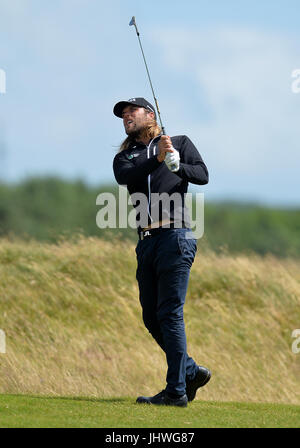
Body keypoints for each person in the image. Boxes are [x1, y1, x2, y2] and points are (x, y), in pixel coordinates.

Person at [113, 97, 211, 407]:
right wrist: (157, 158)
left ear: (150, 114)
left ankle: (176, 392)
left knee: (169, 314)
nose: (127, 116)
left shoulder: (178, 142)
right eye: (123, 114)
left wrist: (177, 164)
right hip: (146, 241)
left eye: (132, 111)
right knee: (151, 317)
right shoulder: (126, 155)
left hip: (175, 236)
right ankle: (190, 371)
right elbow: (125, 176)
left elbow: (202, 174)